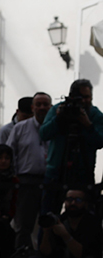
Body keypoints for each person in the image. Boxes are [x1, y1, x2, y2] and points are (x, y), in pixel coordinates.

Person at [39, 79, 103, 215]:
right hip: (56, 171)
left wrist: (88, 125)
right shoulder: (58, 110)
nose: (85, 101)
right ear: (72, 96)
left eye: (88, 97)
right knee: (48, 214)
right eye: (81, 97)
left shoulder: (95, 115)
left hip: (83, 171)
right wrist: (57, 119)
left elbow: (100, 142)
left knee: (85, 216)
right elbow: (44, 134)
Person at [17, 189, 102, 258]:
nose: (73, 203)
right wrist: (46, 232)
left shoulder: (92, 223)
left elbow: (80, 254)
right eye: (69, 200)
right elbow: (46, 253)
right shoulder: (60, 220)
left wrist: (65, 235)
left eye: (78, 200)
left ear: (85, 204)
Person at [4, 92, 51, 249]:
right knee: (24, 224)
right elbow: (10, 154)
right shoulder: (20, 128)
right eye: (38, 104)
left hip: (50, 181)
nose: (42, 107)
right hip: (26, 181)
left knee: (49, 223)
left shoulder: (56, 128)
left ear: (50, 107)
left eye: (45, 104)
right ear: (33, 107)